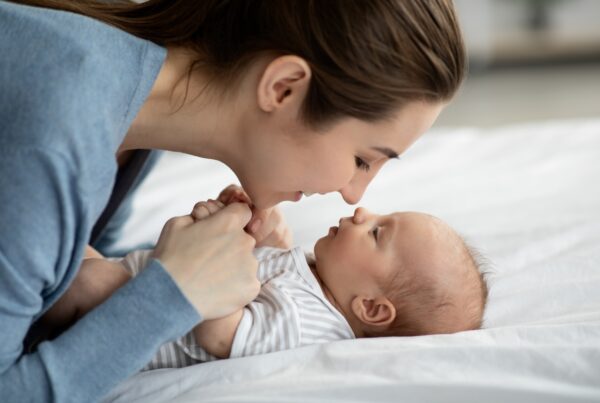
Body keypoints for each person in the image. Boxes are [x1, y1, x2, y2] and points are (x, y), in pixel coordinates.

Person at [0, 0, 466, 401]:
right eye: (363, 159)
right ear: (283, 88)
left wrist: (192, 261)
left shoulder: (130, 108)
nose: (354, 194)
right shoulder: (56, 140)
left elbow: (59, 270)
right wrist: (173, 293)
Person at [42, 197, 488, 369]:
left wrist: (215, 252)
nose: (361, 212)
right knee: (69, 248)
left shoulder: (308, 322)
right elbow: (268, 264)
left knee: (86, 279)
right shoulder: (317, 273)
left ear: (370, 308)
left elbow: (221, 335)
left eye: (376, 233)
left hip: (134, 322)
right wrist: (258, 232)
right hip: (135, 276)